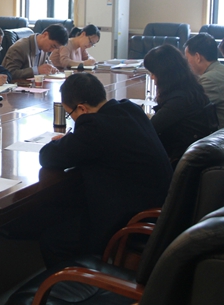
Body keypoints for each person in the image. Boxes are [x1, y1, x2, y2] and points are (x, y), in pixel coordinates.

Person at [37, 73, 172, 264]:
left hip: (128, 224)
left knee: (53, 239)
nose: (72, 119)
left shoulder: (95, 128)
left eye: (70, 114)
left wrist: (68, 141)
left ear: (82, 108)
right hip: (158, 213)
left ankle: (77, 279)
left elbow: (48, 156)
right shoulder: (130, 109)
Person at [144, 44, 217, 166]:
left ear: (164, 73)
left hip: (178, 160)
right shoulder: (190, 88)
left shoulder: (179, 100)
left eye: (153, 72)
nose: (151, 77)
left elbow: (150, 129)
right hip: (187, 154)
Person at [2, 24, 68, 80]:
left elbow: (47, 63)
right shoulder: (20, 47)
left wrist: (52, 68)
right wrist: (37, 70)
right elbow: (10, 73)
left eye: (55, 48)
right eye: (52, 46)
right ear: (45, 35)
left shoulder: (44, 48)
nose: (51, 50)